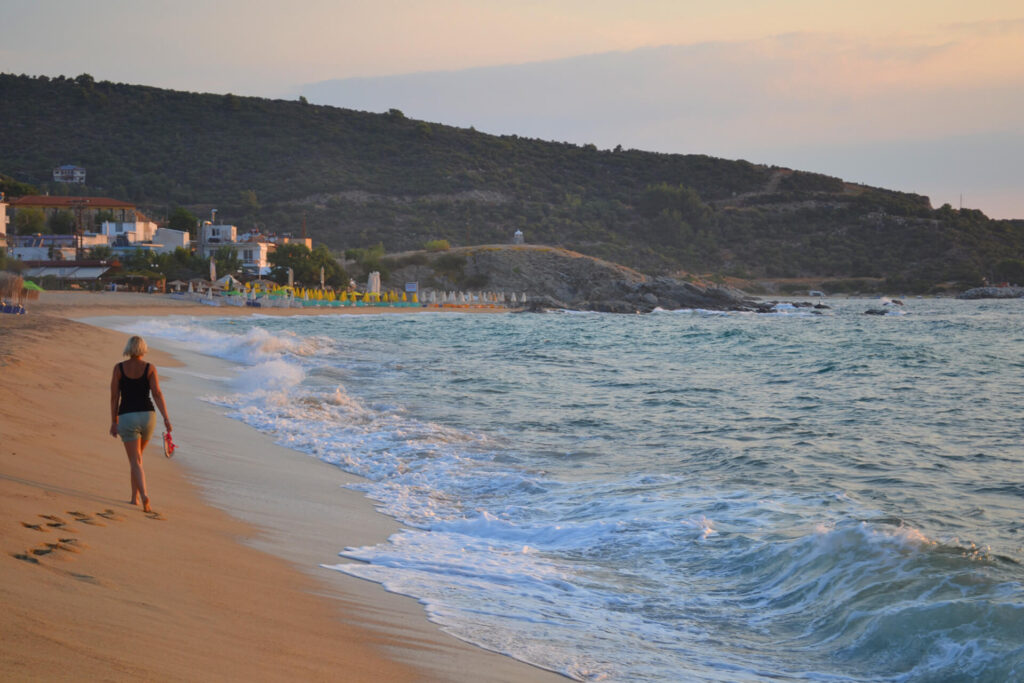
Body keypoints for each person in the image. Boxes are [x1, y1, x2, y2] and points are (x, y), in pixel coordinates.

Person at [109, 335, 171, 513]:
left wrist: (114, 421)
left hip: (127, 416)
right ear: (143, 349)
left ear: (129, 348)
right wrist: (166, 418)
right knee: (137, 459)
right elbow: (157, 394)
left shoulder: (119, 368)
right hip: (148, 416)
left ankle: (144, 495)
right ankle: (133, 498)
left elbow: (114, 397)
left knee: (135, 460)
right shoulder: (150, 368)